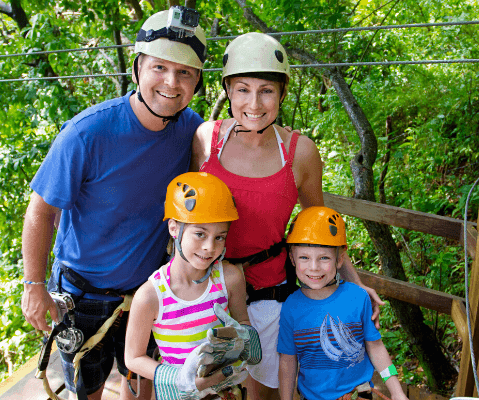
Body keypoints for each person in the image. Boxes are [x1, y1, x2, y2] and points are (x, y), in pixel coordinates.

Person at [21, 7, 207, 400]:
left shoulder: (191, 129)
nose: (171, 83)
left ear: (197, 82)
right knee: (86, 388)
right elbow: (42, 209)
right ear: (138, 69)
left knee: (143, 383)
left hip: (149, 291)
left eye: (185, 73)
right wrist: (33, 286)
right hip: (83, 294)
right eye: (159, 67)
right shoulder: (88, 133)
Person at [191, 32, 384, 400]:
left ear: (281, 93)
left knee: (262, 392)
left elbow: (321, 228)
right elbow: (184, 224)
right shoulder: (205, 140)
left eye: (266, 90)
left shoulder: (300, 153)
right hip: (206, 290)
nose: (254, 103)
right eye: (242, 89)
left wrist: (354, 284)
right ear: (228, 91)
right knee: (204, 390)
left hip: (268, 294)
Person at [125, 172, 262, 399]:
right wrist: (179, 378)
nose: (209, 247)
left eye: (220, 237)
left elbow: (243, 322)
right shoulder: (150, 296)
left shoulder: (229, 278)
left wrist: (245, 337)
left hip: (224, 392)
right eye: (200, 234)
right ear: (174, 228)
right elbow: (133, 357)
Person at [278, 207, 408, 400]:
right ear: (292, 258)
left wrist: (397, 392)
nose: (314, 267)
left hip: (359, 395)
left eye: (324, 258)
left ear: (339, 259)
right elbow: (288, 361)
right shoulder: (291, 307)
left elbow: (376, 347)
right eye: (304, 257)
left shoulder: (358, 297)